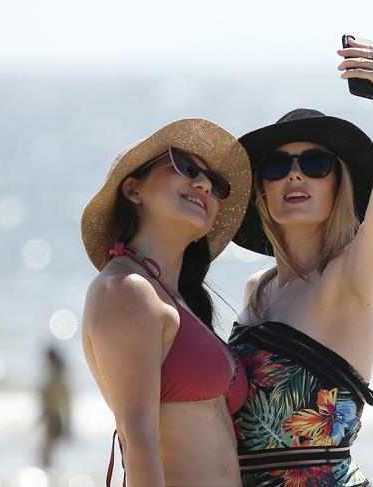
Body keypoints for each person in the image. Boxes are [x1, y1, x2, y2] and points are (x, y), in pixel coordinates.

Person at [229, 37, 373, 486]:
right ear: (261, 191)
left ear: (340, 184)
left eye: (315, 163)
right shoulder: (257, 288)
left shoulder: (349, 278)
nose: (294, 174)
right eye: (276, 167)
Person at [80, 118, 252, 486]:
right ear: (133, 190)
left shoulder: (175, 300)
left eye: (215, 183)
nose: (204, 183)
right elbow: (138, 438)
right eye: (185, 166)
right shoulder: (125, 289)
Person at [39, 345, 72, 468]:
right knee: (47, 455)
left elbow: (64, 403)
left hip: (53, 419)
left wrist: (69, 425)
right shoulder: (57, 377)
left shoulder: (56, 379)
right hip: (53, 418)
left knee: (46, 455)